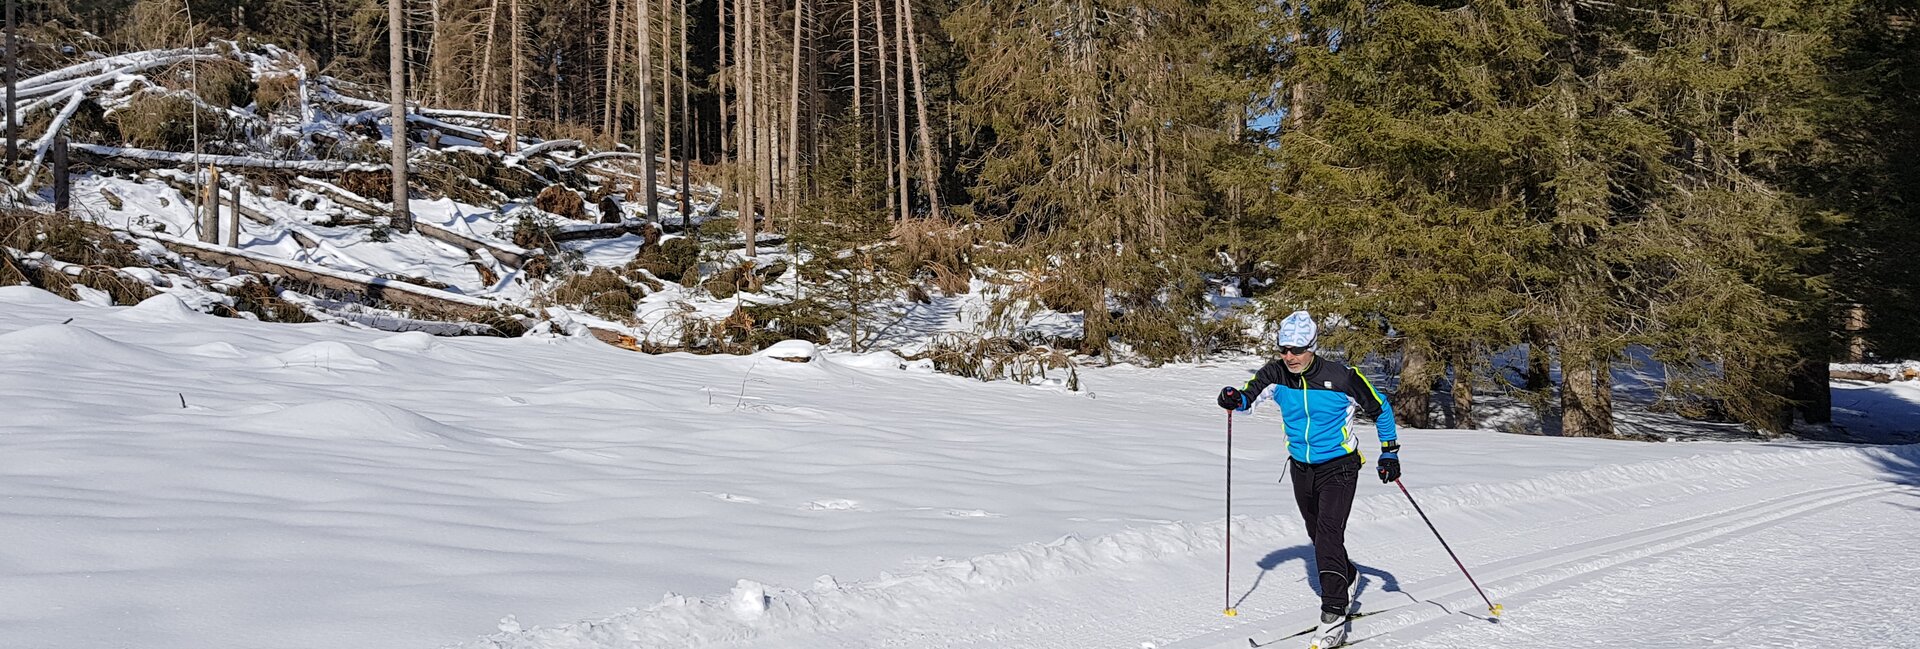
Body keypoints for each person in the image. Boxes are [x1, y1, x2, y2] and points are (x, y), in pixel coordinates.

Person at [1216, 310, 1399, 646]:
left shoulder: (1342, 377)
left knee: (1329, 535)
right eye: (1284, 349)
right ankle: (1349, 575)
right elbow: (1247, 397)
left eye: (1297, 350)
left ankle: (1333, 615)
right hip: (1301, 467)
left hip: (1340, 466)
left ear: (1312, 347)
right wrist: (1233, 398)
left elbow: (1380, 408)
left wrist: (1390, 452)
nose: (1289, 357)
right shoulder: (1276, 373)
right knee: (1316, 534)